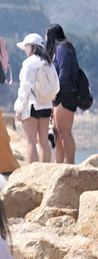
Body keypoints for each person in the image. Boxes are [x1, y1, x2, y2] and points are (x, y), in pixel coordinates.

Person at [14, 33, 56, 163]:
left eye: (26, 47)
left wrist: (19, 107)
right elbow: (56, 86)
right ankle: (45, 172)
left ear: (31, 47)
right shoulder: (49, 62)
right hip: (46, 105)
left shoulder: (28, 64)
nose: (25, 50)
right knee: (43, 141)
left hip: (31, 105)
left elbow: (25, 88)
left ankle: (33, 174)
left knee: (30, 142)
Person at [46, 24, 79, 164]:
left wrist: (55, 89)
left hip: (66, 94)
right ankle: (59, 163)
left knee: (65, 132)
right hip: (63, 94)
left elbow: (64, 71)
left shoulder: (61, 48)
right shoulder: (64, 48)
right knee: (56, 130)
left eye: (47, 36)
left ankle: (70, 165)